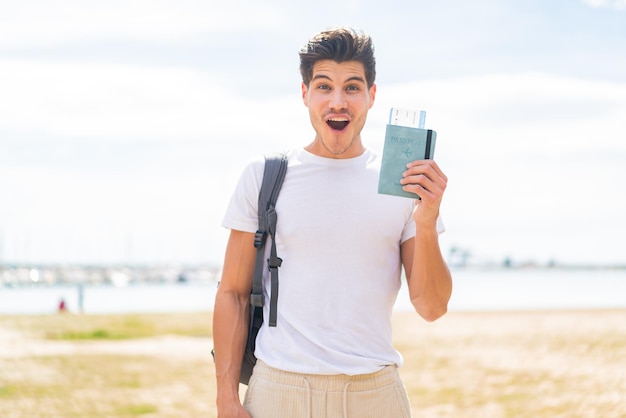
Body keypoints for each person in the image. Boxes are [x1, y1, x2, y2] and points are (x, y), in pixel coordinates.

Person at [213, 27, 452, 418]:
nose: (337, 102)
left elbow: (432, 307)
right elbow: (232, 293)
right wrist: (226, 398)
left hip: (376, 394)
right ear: (305, 93)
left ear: (372, 96)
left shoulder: (402, 183)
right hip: (279, 391)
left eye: (352, 88)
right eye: (324, 86)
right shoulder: (266, 175)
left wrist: (427, 221)